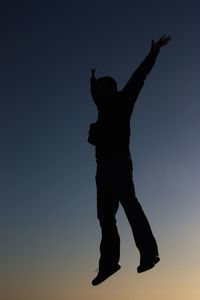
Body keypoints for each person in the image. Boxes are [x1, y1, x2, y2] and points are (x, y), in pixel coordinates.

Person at [88, 35, 171, 286]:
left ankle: (148, 253)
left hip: (119, 164)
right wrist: (92, 81)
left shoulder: (123, 101)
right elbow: (94, 95)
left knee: (130, 207)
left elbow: (139, 76)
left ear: (113, 90)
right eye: (99, 92)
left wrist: (153, 53)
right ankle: (109, 264)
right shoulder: (102, 108)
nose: (100, 95)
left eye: (104, 90)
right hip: (102, 170)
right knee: (105, 218)